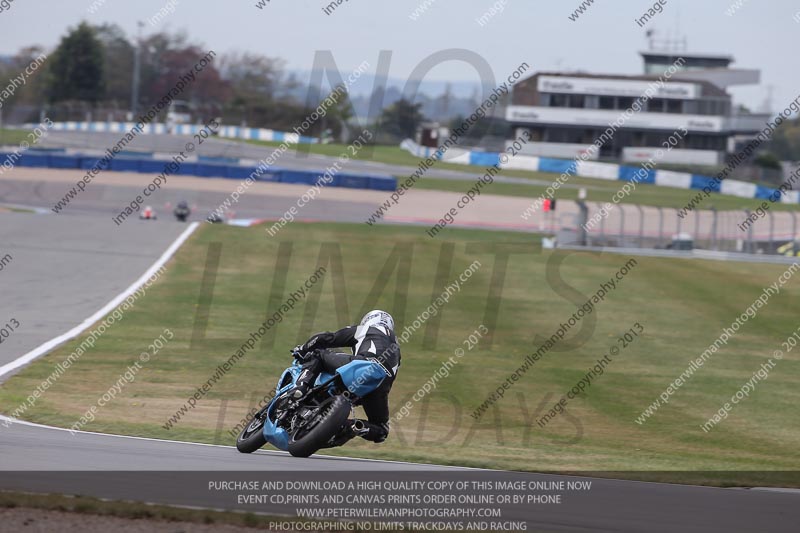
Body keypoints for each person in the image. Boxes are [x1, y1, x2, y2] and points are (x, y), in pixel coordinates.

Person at [291, 310, 400, 443]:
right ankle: (354, 426)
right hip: (378, 387)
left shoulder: (366, 329)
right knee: (382, 430)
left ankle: (300, 387)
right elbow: (389, 381)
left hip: (363, 365)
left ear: (369, 320)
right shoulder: (397, 349)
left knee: (318, 354)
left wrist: (303, 349)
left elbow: (327, 338)